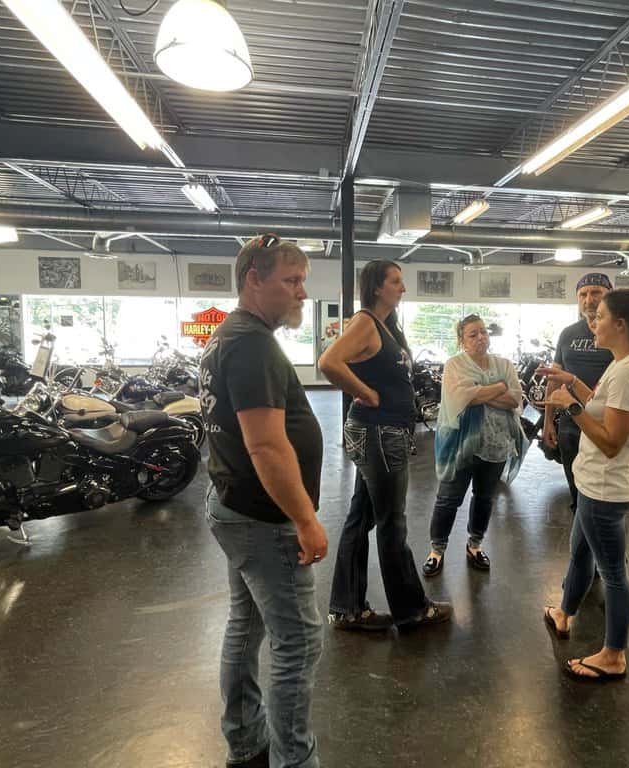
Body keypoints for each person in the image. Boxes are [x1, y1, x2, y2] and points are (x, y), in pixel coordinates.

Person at [200, 234, 327, 768]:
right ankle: (293, 759)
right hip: (263, 517)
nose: (302, 293)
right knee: (299, 641)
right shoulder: (252, 344)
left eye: (302, 282)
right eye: (291, 281)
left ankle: (246, 742)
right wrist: (305, 519)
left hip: (235, 504)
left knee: (245, 625)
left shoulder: (230, 335)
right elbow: (266, 446)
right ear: (254, 278)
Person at [538, 289, 629, 682]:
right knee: (580, 554)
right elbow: (601, 402)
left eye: (601, 316)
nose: (593, 322)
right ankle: (564, 613)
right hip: (594, 484)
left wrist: (571, 407)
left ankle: (614, 655)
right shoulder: (625, 361)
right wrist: (572, 382)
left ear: (620, 325)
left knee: (612, 574)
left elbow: (612, 442)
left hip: (606, 489)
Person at [319, 259, 452, 632]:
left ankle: (347, 609)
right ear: (377, 286)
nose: (403, 288)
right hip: (379, 433)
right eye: (396, 281)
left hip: (383, 433)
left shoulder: (385, 326)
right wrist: (366, 393)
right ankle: (411, 610)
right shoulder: (365, 322)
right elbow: (329, 362)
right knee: (392, 523)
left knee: (360, 518)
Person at [422, 314, 527, 576]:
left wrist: (478, 392)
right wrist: (498, 387)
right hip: (461, 445)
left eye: (483, 332)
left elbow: (514, 399)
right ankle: (437, 550)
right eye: (473, 334)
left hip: (496, 444)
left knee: (484, 497)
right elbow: (461, 398)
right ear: (462, 341)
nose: (480, 337)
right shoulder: (455, 365)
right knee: (448, 498)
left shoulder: (504, 364)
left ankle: (475, 545)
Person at [543, 273, 615, 514]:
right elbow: (554, 378)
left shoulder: (619, 333)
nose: (589, 299)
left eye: (596, 293)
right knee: (576, 490)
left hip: (605, 422)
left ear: (609, 295)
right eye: (583, 294)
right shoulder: (568, 334)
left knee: (603, 496)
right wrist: (548, 422)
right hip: (570, 423)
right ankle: (581, 527)